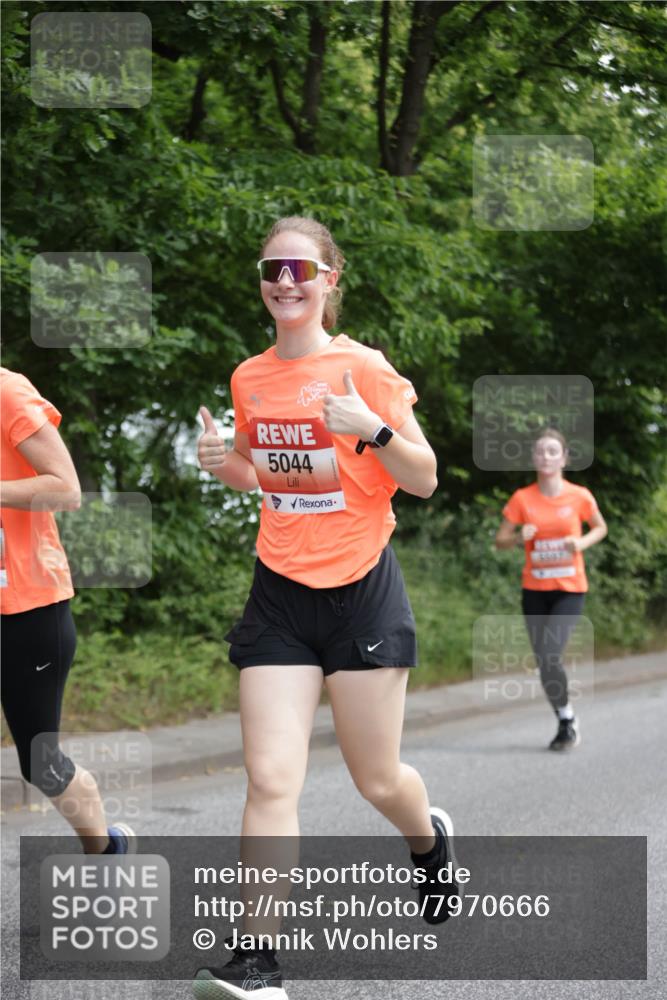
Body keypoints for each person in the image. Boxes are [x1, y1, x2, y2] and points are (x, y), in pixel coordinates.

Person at [194, 217, 456, 1000]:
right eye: (272, 269)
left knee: (377, 780)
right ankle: (259, 962)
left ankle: (427, 840)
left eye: (300, 269)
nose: (285, 282)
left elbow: (424, 478)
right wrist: (223, 463)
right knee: (271, 779)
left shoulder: (363, 368)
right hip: (278, 591)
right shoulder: (250, 377)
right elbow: (261, 473)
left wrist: (370, 429)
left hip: (361, 593)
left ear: (328, 280)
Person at [0, 366, 135, 854]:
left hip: (27, 609)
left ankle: (105, 849)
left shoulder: (9, 392)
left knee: (40, 763)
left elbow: (66, 489)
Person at [495, 427, 607, 750]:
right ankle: (566, 718)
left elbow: (601, 527)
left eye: (552, 451)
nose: (546, 456)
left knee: (549, 654)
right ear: (533, 458)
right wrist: (519, 538)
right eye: (541, 451)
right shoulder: (522, 499)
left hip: (570, 588)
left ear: (564, 458)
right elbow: (500, 542)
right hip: (534, 589)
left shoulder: (579, 496)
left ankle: (567, 721)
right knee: (544, 661)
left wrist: (580, 542)